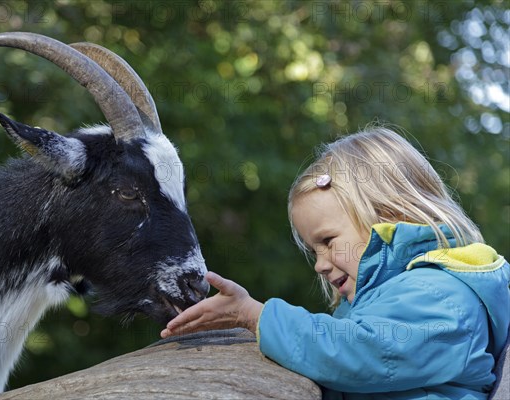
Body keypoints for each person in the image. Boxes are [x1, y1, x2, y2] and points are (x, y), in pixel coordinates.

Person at [160, 126, 510, 399]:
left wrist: (254, 315)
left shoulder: (441, 294)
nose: (320, 265)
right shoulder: (378, 302)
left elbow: (358, 352)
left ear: (389, 216)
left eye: (328, 242)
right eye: (314, 251)